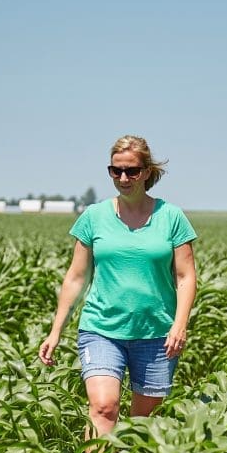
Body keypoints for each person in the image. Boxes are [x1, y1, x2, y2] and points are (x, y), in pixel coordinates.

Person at [38, 135, 197, 436]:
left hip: (156, 333)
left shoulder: (171, 217)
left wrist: (179, 325)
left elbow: (186, 276)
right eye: (116, 171)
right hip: (101, 328)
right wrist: (55, 331)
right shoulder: (94, 217)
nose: (123, 178)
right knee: (103, 407)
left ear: (147, 172)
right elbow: (76, 277)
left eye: (132, 171)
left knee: (143, 426)